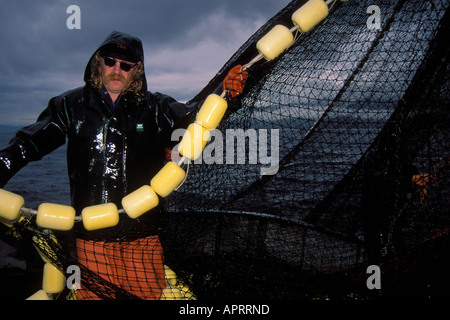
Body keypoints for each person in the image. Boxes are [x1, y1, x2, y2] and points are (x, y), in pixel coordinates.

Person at [0, 31, 248, 299]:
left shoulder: (157, 108)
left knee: (147, 296)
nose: (116, 70)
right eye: (110, 61)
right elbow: (30, 143)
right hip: (91, 240)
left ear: (136, 71)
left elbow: (199, 115)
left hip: (143, 237)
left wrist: (227, 90)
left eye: (126, 65)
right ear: (98, 62)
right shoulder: (70, 106)